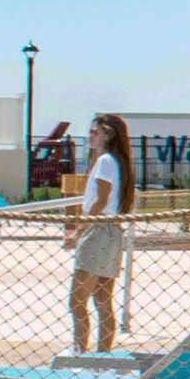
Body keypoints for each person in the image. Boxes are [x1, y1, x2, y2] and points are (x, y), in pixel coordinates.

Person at [68, 112, 136, 353]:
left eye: (95, 132)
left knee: (77, 300)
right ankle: (102, 355)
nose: (90, 136)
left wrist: (78, 231)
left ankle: (79, 352)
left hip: (99, 231)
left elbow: (101, 200)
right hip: (112, 232)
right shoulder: (116, 162)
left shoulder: (106, 161)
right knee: (102, 300)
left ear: (107, 135)